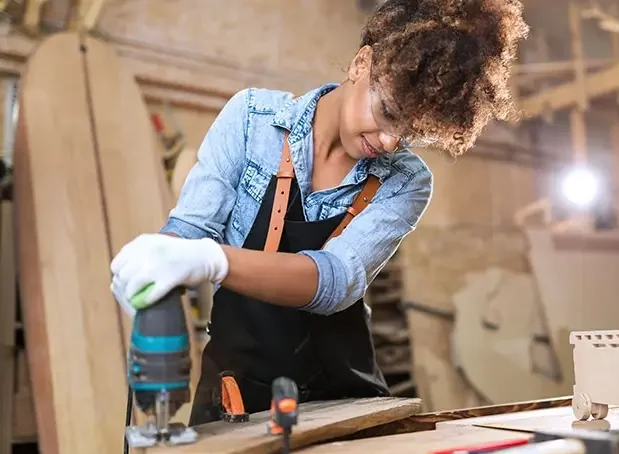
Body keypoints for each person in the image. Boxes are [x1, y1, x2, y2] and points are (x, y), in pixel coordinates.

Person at [110, 0, 528, 425]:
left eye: (411, 135)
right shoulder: (252, 121)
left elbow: (336, 280)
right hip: (236, 398)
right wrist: (158, 262)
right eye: (388, 113)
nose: (388, 142)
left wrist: (212, 259)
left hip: (344, 402)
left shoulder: (406, 181)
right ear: (362, 63)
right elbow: (190, 228)